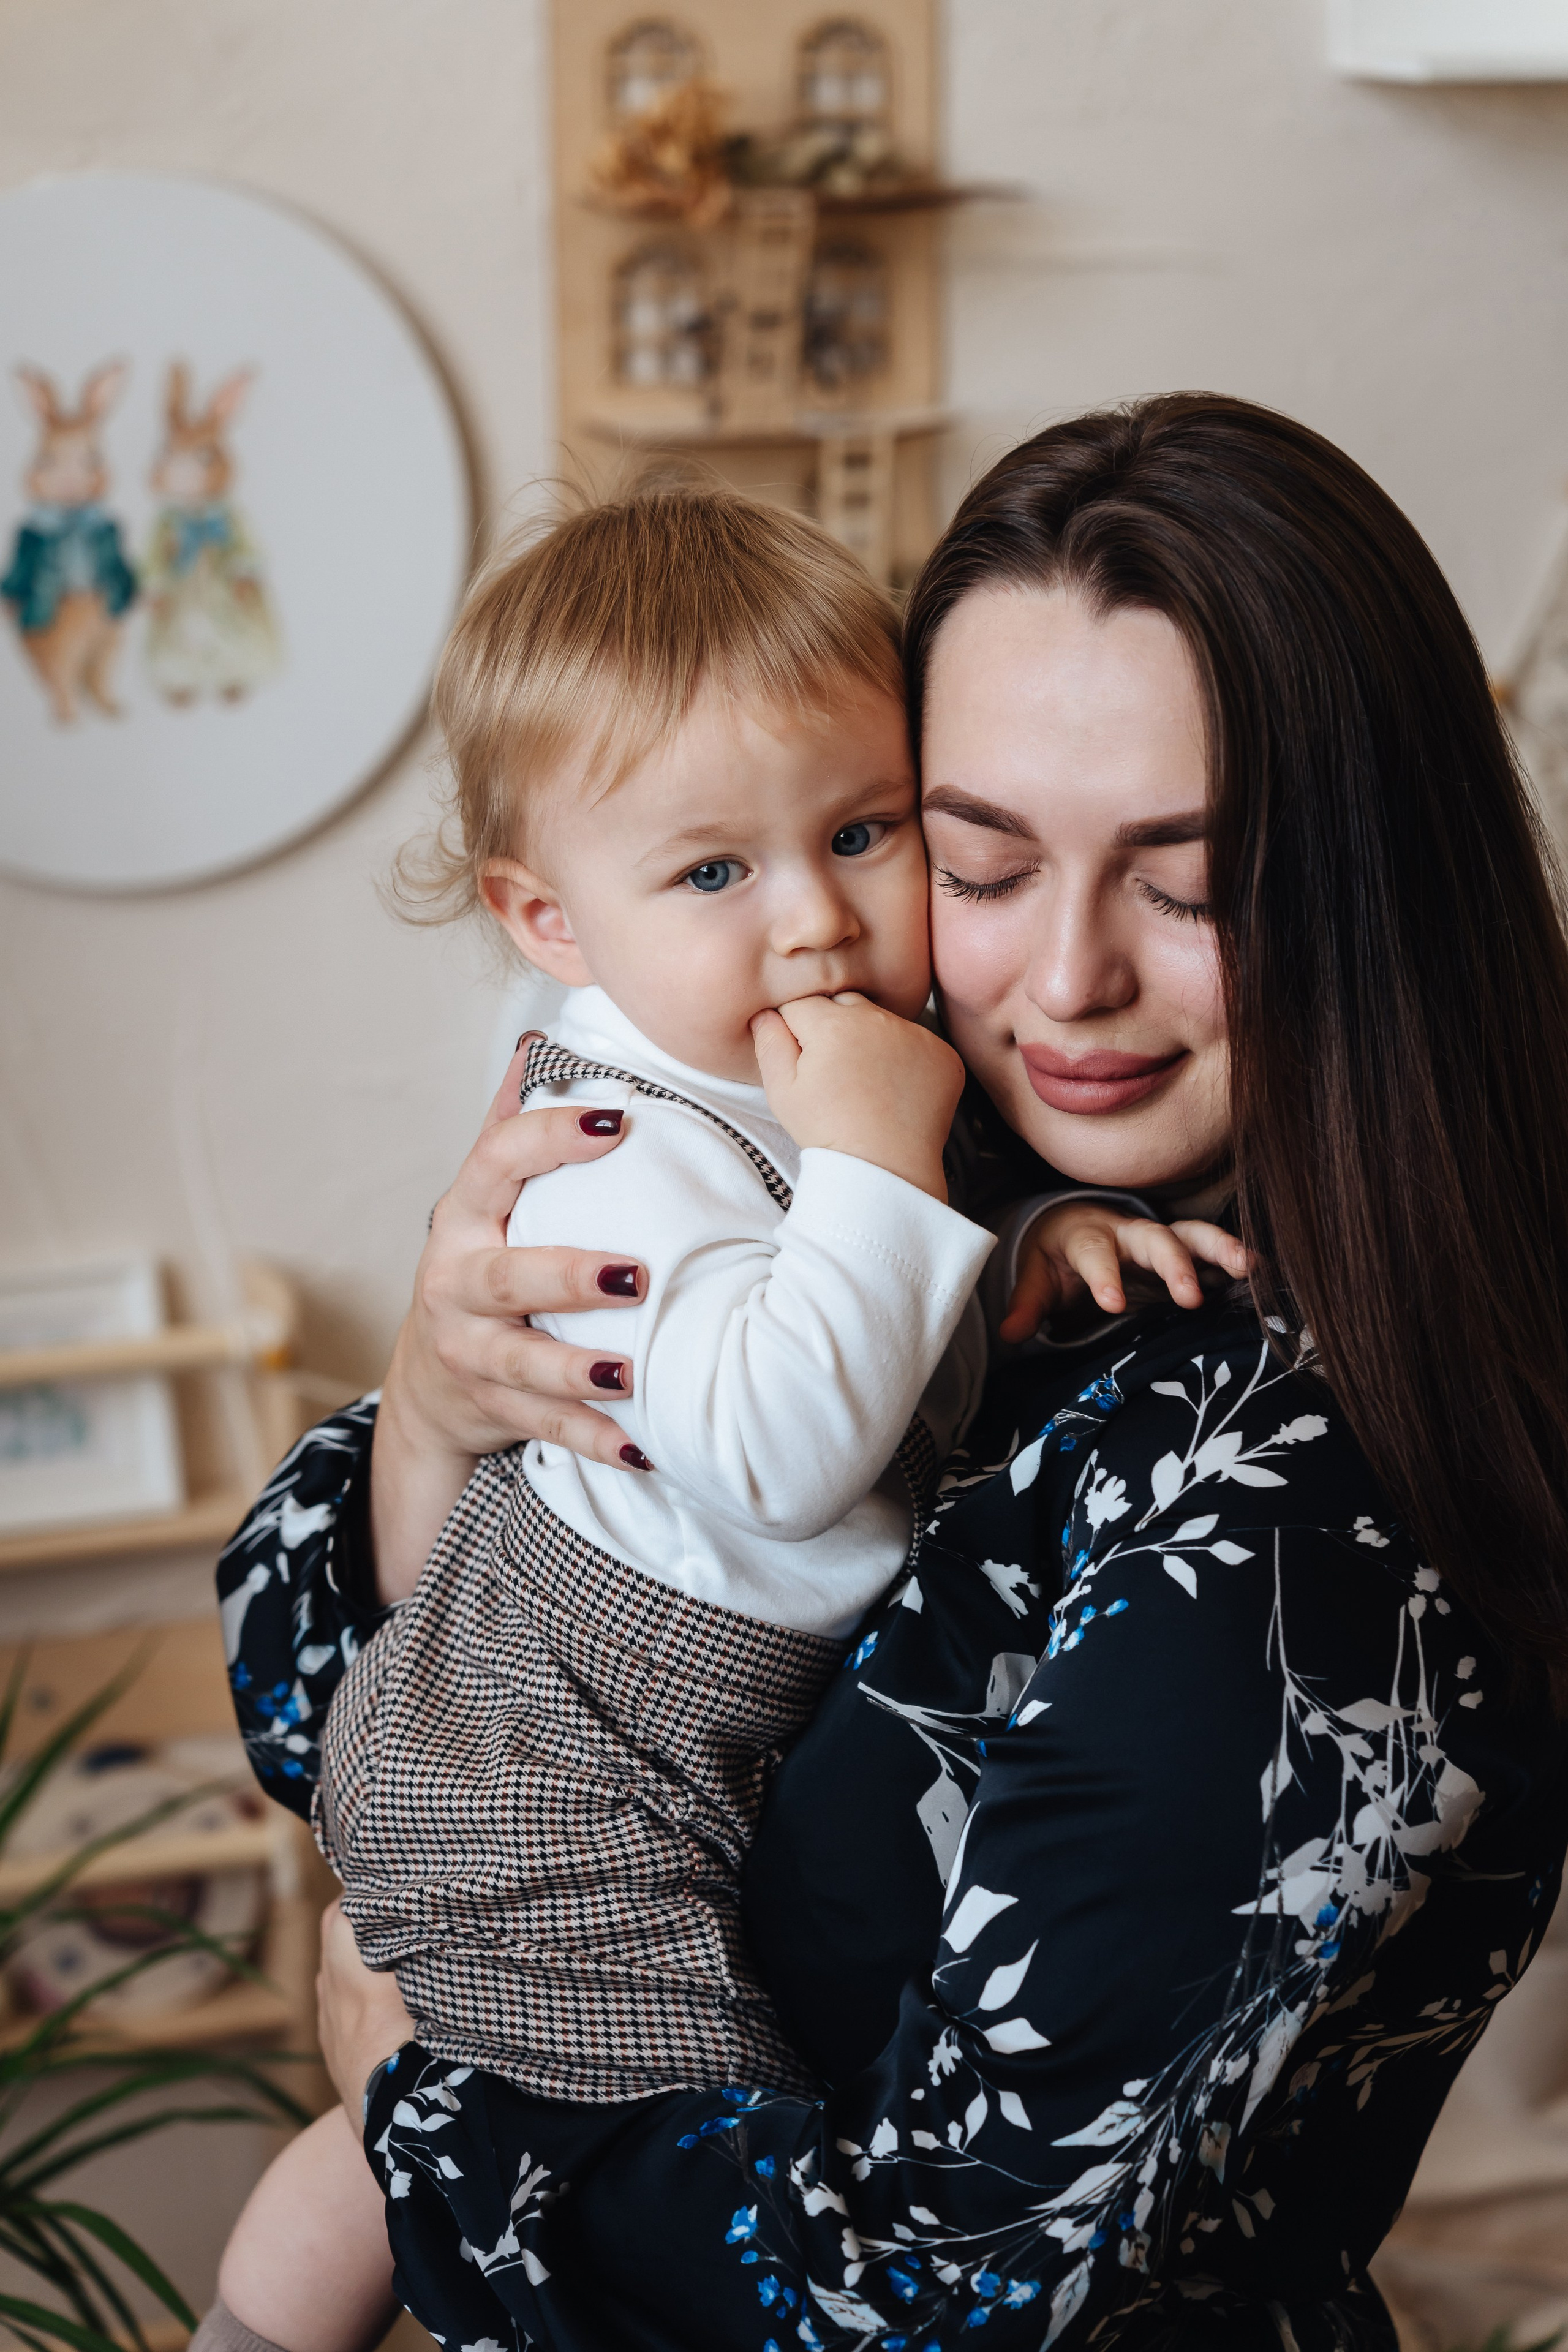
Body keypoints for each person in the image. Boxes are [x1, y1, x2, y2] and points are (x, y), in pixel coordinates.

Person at [217, 394, 1568, 2352]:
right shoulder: (937, 1182)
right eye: (978, 858)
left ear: (1373, 889)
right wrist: (437, 1404)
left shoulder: (1310, 1525)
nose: (1068, 981)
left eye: (1189, 884)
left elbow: (919, 2307)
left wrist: (417, 2097)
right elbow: (328, 1681)